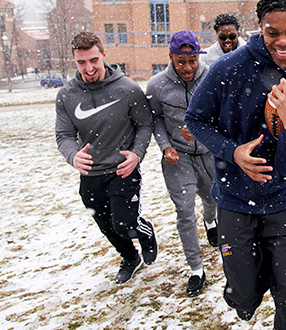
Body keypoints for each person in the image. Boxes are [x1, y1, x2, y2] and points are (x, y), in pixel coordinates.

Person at [185, 0, 286, 329]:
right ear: (260, 27)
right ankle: (248, 287)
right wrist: (232, 152)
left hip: (285, 203)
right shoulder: (228, 69)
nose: (282, 41)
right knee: (244, 298)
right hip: (235, 202)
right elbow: (195, 119)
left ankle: (285, 286)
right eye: (272, 32)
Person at [55, 32, 157, 284]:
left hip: (123, 169)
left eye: (93, 60)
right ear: (74, 61)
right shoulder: (67, 95)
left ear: (103, 55)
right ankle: (130, 258)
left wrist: (136, 154)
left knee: (124, 223)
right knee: (106, 225)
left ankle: (145, 232)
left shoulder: (128, 89)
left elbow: (145, 125)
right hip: (90, 173)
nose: (88, 68)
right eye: (81, 63)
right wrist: (72, 155)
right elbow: (64, 135)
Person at [146, 30, 218, 298]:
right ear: (171, 57)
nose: (187, 67)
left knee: (212, 199)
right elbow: (155, 120)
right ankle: (196, 269)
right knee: (185, 211)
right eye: (180, 61)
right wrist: (165, 146)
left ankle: (210, 222)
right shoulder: (156, 85)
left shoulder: (211, 77)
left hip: (210, 153)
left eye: (191, 61)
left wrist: (204, 129)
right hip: (179, 156)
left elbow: (223, 113)